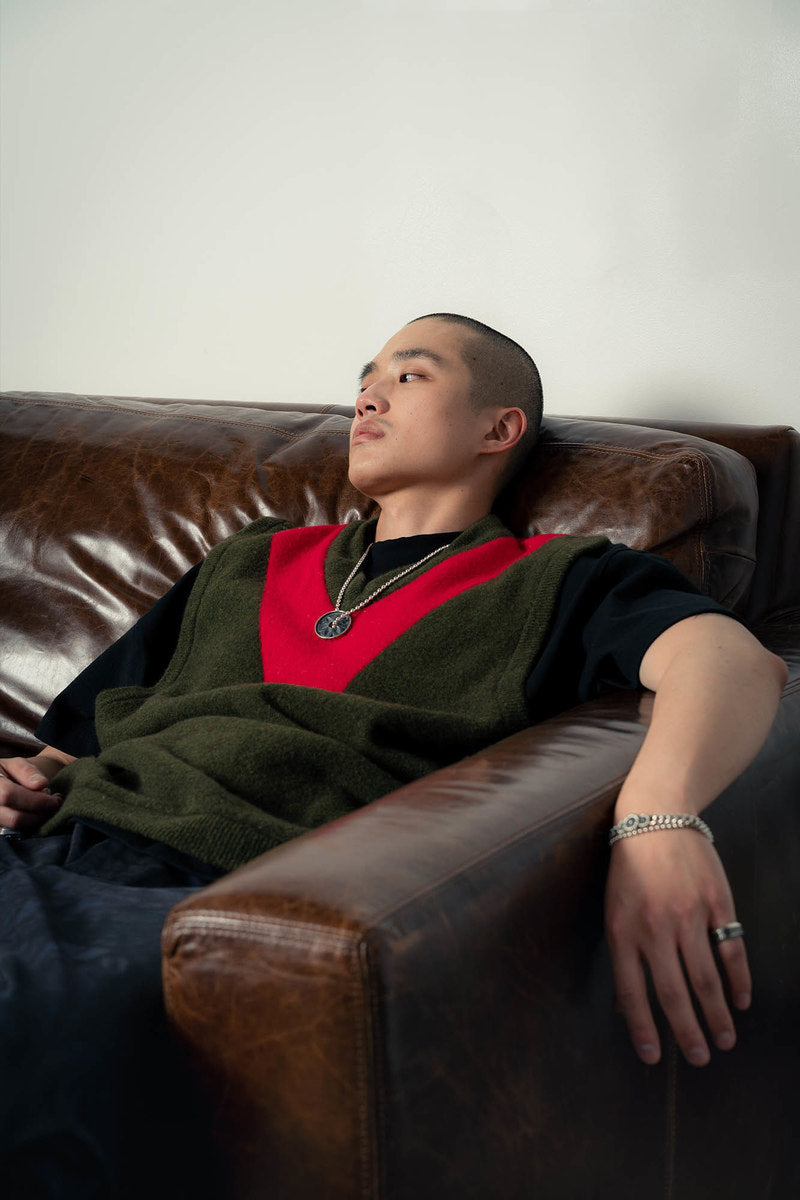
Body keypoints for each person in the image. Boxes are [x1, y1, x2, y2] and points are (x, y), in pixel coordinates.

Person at [0, 314, 788, 1195]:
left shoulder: (557, 578)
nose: (367, 396)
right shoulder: (249, 559)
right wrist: (32, 777)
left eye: (409, 376)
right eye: (365, 378)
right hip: (50, 848)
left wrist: (658, 815)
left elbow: (730, 660)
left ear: (498, 428)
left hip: (218, 893)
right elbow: (73, 742)